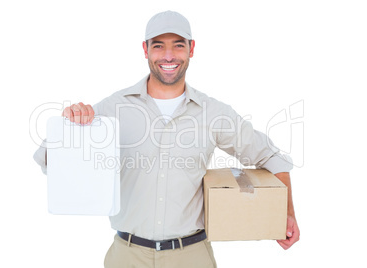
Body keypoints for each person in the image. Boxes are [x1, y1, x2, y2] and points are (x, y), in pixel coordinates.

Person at [34, 10, 300, 268]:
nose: (169, 56)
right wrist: (69, 124)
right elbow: (49, 161)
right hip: (127, 257)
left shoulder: (213, 113)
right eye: (159, 46)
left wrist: (286, 214)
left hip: (191, 256)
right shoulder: (114, 109)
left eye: (178, 45)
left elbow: (272, 157)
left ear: (192, 49)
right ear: (146, 49)